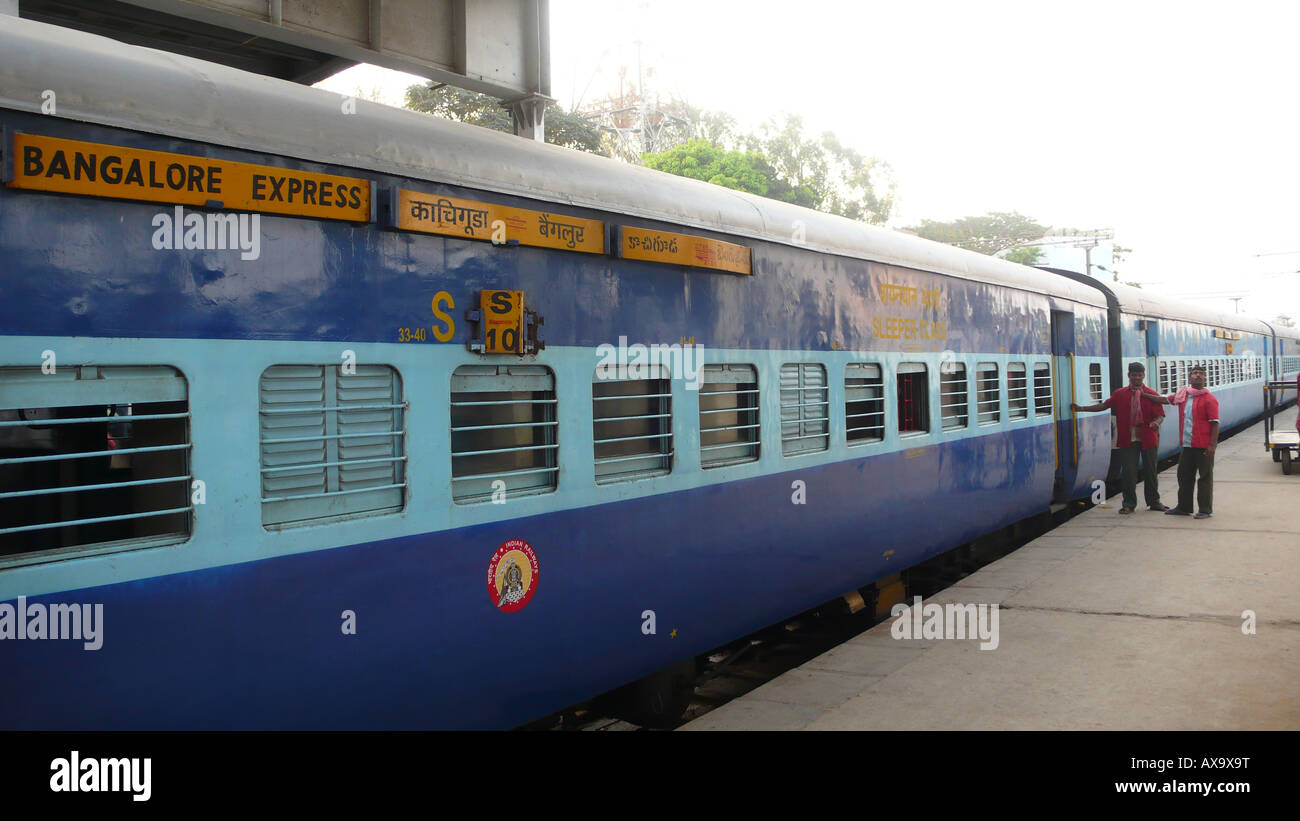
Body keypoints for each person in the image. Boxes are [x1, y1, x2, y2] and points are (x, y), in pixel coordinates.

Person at [1071, 361, 1166, 514]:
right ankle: (1128, 504)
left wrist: (1156, 423)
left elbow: (1160, 415)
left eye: (1139, 375)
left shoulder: (1151, 394)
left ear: (1143, 376)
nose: (1137, 378)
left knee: (1151, 471)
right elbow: (1104, 405)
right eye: (1134, 375)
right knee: (1128, 472)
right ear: (1128, 376)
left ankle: (1154, 501)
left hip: (1148, 438)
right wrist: (1082, 408)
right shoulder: (1120, 394)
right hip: (1128, 439)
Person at [1142, 364, 1219, 519]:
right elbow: (1164, 400)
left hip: (1203, 445)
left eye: (1201, 373)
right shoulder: (1183, 395)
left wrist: (1212, 445)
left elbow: (1215, 423)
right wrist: (1144, 395)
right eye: (1195, 373)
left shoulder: (1209, 399)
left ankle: (1204, 510)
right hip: (1187, 445)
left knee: (1204, 477)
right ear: (1189, 378)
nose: (1198, 375)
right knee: (1184, 476)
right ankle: (1184, 507)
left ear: (1205, 378)